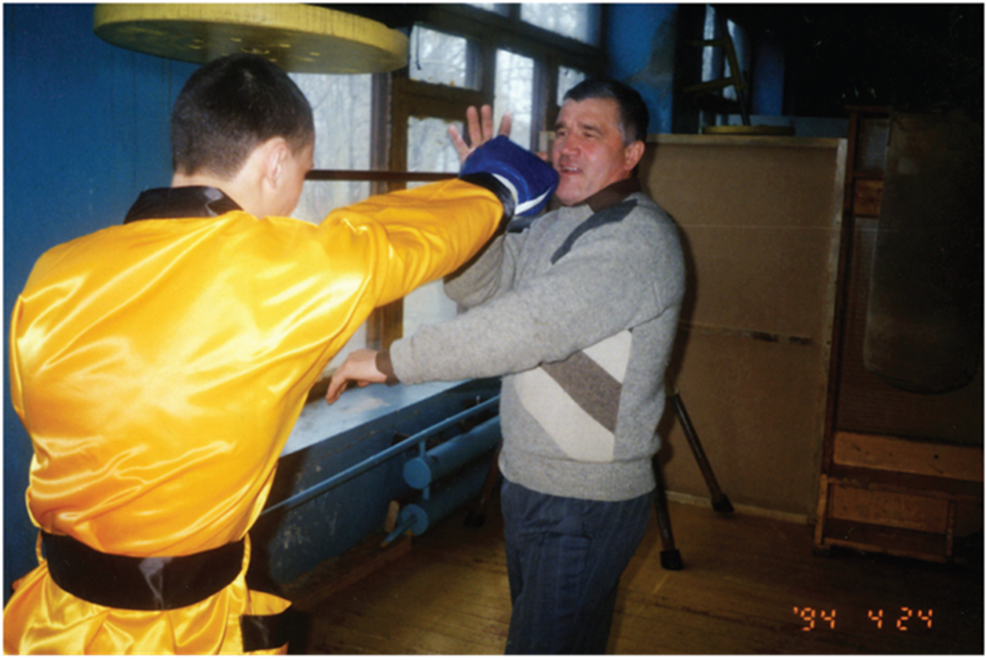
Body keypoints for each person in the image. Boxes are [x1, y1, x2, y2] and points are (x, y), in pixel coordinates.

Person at [3, 53, 556, 657]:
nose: (296, 198)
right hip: (178, 637)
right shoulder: (279, 275)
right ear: (274, 161)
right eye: (303, 173)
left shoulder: (54, 273)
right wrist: (498, 183)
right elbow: (392, 236)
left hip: (50, 622)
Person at [326, 78, 686, 656]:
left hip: (583, 502)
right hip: (532, 484)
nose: (566, 146)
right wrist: (486, 201)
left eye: (589, 133)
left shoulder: (636, 240)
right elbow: (478, 289)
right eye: (561, 131)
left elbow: (525, 327)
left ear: (632, 153)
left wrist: (391, 361)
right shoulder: (555, 224)